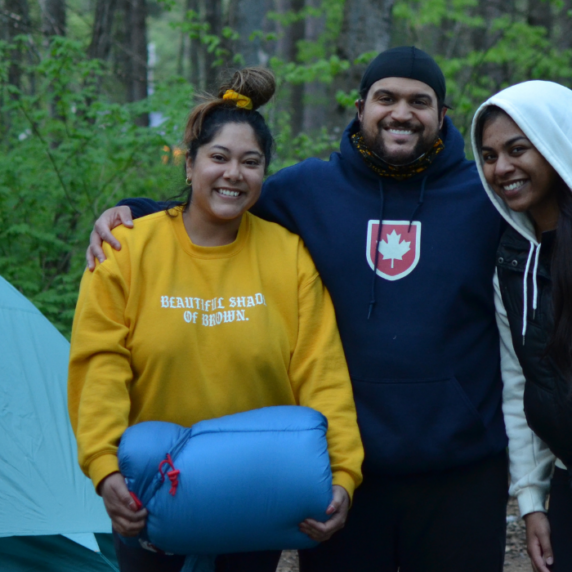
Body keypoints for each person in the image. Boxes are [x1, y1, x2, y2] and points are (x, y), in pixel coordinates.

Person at [87, 47, 509, 572]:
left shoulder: (485, 196)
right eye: (386, 98)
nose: (402, 112)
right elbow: (218, 204)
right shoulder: (310, 190)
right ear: (360, 109)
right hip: (354, 473)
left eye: (419, 101)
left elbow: (546, 224)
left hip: (460, 469)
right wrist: (130, 214)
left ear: (443, 115)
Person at [68, 67, 364, 572]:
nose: (234, 174)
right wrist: (102, 465)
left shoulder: (288, 256)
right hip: (150, 493)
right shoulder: (127, 251)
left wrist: (343, 473)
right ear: (189, 165)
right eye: (219, 157)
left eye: (251, 162)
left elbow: (322, 373)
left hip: (255, 492)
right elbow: (99, 365)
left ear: (264, 174)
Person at [472, 80, 572, 572]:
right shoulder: (512, 262)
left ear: (556, 141)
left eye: (517, 149)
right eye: (489, 156)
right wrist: (532, 499)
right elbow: (522, 384)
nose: (501, 169)